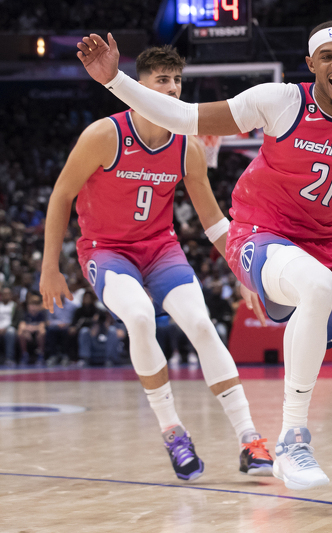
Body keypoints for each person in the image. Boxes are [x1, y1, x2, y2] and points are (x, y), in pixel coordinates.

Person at [76, 25, 332, 496]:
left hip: (322, 245)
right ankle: (292, 439)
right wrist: (115, 81)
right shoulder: (280, 101)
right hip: (257, 234)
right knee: (316, 285)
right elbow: (186, 117)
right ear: (311, 66)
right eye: (326, 56)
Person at [41, 45, 273, 481]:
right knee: (140, 317)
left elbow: (213, 221)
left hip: (160, 248)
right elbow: (61, 195)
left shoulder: (186, 147)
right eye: (161, 80)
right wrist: (49, 268)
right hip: (107, 250)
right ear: (139, 86)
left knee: (203, 326)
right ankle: (173, 432)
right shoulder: (103, 135)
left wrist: (245, 272)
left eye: (176, 80)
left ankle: (250, 440)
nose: (171, 88)